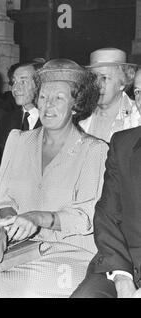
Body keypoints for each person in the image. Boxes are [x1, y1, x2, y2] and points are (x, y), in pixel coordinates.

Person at [0, 59, 108, 298]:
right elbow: (3, 201)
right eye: (44, 97)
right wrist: (10, 224)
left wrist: (35, 218)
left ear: (76, 105)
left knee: (23, 287)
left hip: (70, 252)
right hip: (20, 248)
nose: (48, 106)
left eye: (58, 98)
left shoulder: (94, 150)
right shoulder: (19, 141)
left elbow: (85, 215)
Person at [71, 68, 141, 298]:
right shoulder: (123, 144)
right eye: (139, 92)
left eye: (58, 97)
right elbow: (107, 212)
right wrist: (122, 276)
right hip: (124, 260)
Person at [80, 48, 139, 142]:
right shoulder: (80, 115)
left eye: (104, 78)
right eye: (93, 77)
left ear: (123, 81)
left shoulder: (137, 115)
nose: (98, 84)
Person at [2, 62, 43, 144]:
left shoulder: (54, 121)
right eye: (14, 82)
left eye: (23, 82)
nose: (15, 88)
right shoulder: (7, 119)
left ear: (39, 84)